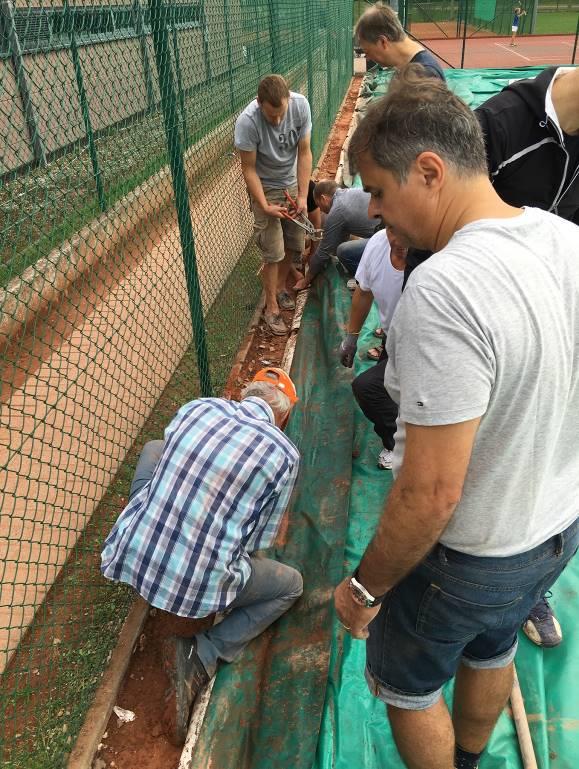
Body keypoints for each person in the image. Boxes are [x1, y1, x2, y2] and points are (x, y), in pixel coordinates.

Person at [334, 69, 579, 769]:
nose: (374, 213)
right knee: (493, 642)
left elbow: (429, 494)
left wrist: (361, 588)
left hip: (471, 552)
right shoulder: (562, 240)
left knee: (407, 687)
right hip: (554, 530)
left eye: (379, 191)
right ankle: (470, 758)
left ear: (430, 170)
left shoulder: (443, 287)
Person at [404, 64, 579, 645]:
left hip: (547, 328)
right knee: (457, 466)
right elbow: (436, 234)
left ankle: (524, 587)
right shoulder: (502, 125)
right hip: (477, 334)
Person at [101, 368, 303, 745]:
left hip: (133, 555)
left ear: (244, 394)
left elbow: (170, 454)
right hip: (198, 590)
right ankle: (201, 652)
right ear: (285, 417)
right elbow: (259, 539)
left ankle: (148, 529)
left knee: (153, 449)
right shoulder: (285, 453)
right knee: (290, 587)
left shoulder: (198, 407)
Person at [235, 75, 313, 335]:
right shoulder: (247, 122)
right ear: (259, 103)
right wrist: (264, 205)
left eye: (281, 114)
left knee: (293, 241)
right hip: (264, 187)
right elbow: (248, 169)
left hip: (290, 183)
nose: (278, 122)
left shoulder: (301, 106)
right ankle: (271, 308)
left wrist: (302, 195)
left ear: (289, 99)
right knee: (273, 251)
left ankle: (280, 288)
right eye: (271, 116)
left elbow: (304, 152)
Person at [339, 228, 406, 470]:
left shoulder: (432, 256)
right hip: (394, 339)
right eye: (393, 228)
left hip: (426, 345)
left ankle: (399, 446)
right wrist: (351, 337)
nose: (398, 239)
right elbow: (364, 292)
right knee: (386, 389)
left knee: (369, 388)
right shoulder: (378, 245)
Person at [294, 181, 379, 291]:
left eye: (319, 206)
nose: (322, 210)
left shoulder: (337, 210)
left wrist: (306, 280)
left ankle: (365, 280)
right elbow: (340, 237)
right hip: (395, 231)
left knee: (344, 251)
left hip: (389, 240)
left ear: (323, 198)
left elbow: (323, 252)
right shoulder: (349, 193)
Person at [355, 2, 445, 81]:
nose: (368, 58)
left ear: (383, 42)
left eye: (367, 51)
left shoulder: (424, 76)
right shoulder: (408, 66)